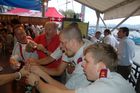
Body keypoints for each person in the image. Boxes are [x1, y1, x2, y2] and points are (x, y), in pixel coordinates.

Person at [27, 43, 136, 93]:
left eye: (87, 61)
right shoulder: (111, 78)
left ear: (100, 67)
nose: (82, 64)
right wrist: (41, 73)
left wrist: (37, 82)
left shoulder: (104, 88)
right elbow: (67, 90)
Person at [28, 25, 92, 89]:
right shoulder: (78, 43)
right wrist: (37, 66)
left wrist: (40, 77)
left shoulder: (85, 62)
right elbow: (57, 69)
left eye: (62, 43)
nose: (60, 47)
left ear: (73, 42)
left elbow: (66, 90)